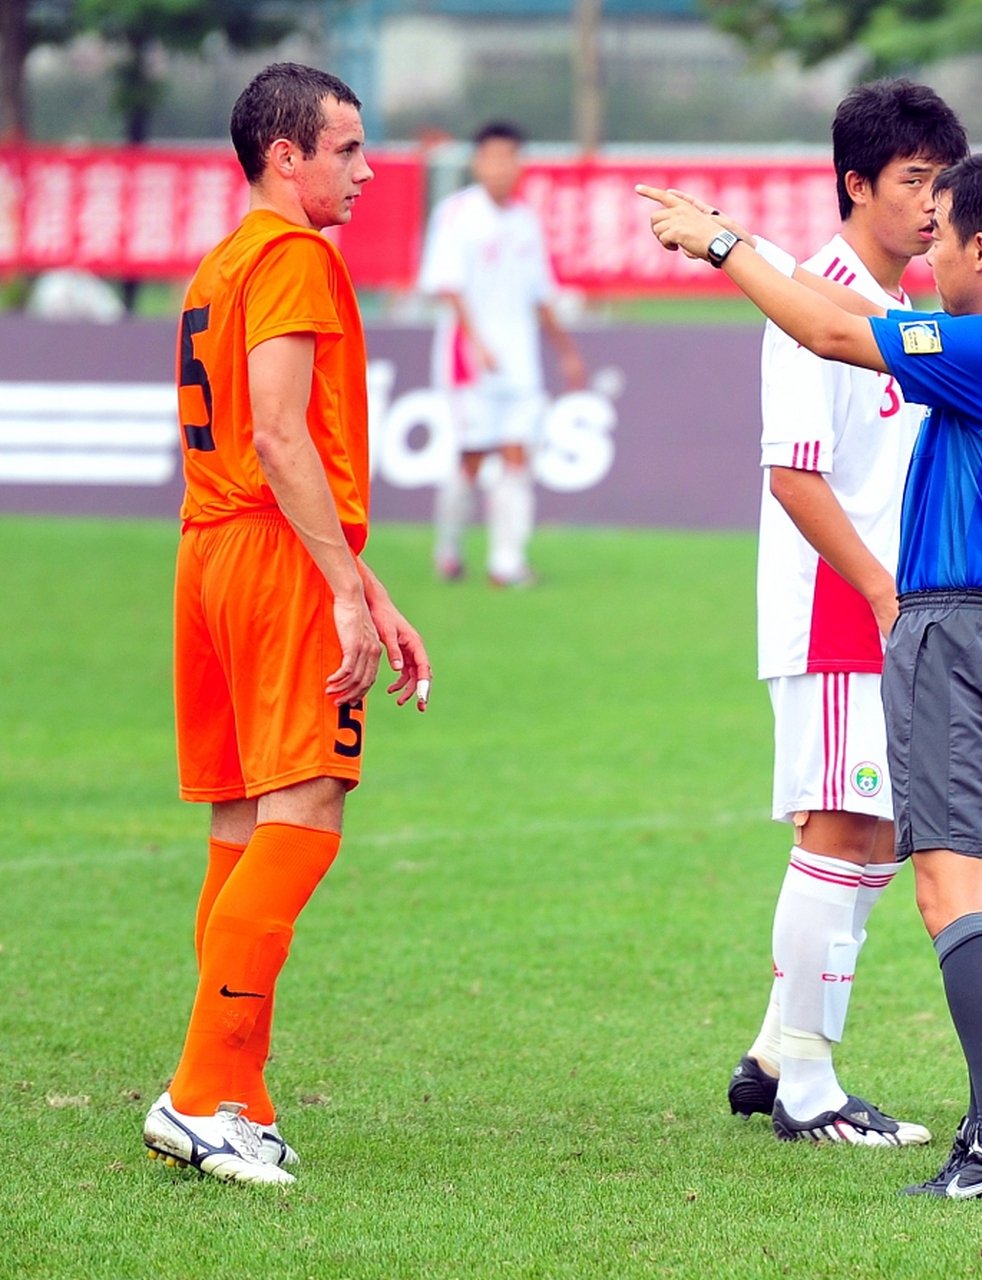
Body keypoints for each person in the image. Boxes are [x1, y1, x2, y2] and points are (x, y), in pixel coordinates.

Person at [643, 147, 982, 1199]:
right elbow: (837, 316)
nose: (928, 248)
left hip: (957, 636)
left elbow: (830, 328)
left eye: (943, 230)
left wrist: (716, 239)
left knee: (943, 890)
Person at [142, 63, 432, 1186]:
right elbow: (279, 434)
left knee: (241, 825)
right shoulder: (298, 256)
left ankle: (240, 1093)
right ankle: (196, 1090)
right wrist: (342, 589)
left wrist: (369, 582)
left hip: (210, 554)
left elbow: (269, 443)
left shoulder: (222, 260)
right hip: (268, 558)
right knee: (307, 811)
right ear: (285, 155)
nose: (365, 170)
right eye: (347, 148)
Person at [727, 79, 967, 1150]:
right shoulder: (809, 304)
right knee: (842, 830)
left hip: (879, 605)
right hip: (838, 609)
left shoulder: (904, 309)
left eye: (942, 184)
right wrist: (880, 591)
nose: (932, 205)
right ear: (855, 184)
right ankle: (810, 1091)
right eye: (913, 181)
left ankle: (779, 1048)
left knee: (870, 838)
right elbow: (794, 475)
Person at [421, 120, 586, 587]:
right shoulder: (456, 215)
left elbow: (540, 295)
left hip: (521, 362)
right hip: (470, 362)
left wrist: (566, 352)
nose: (501, 168)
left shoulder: (525, 221)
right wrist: (476, 341)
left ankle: (506, 563)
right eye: (492, 158)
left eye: (509, 158)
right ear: (477, 163)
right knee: (472, 459)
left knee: (517, 456)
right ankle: (449, 548)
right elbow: (446, 287)